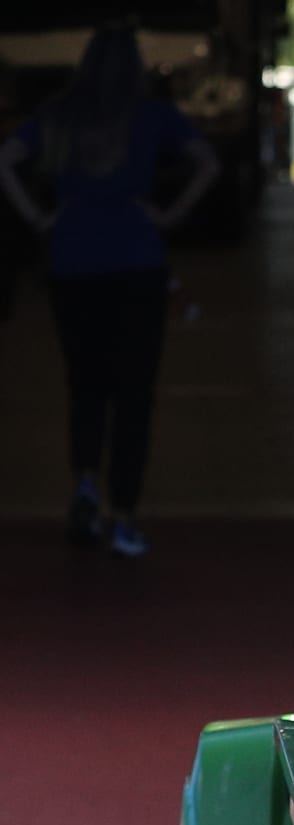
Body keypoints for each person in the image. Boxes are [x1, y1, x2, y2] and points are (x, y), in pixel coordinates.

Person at [0, 26, 219, 557]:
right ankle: (122, 514)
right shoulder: (152, 115)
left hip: (71, 259)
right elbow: (207, 164)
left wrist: (40, 218)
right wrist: (167, 214)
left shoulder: (60, 114)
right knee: (133, 392)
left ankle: (83, 485)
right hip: (136, 260)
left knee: (86, 383)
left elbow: (6, 159)